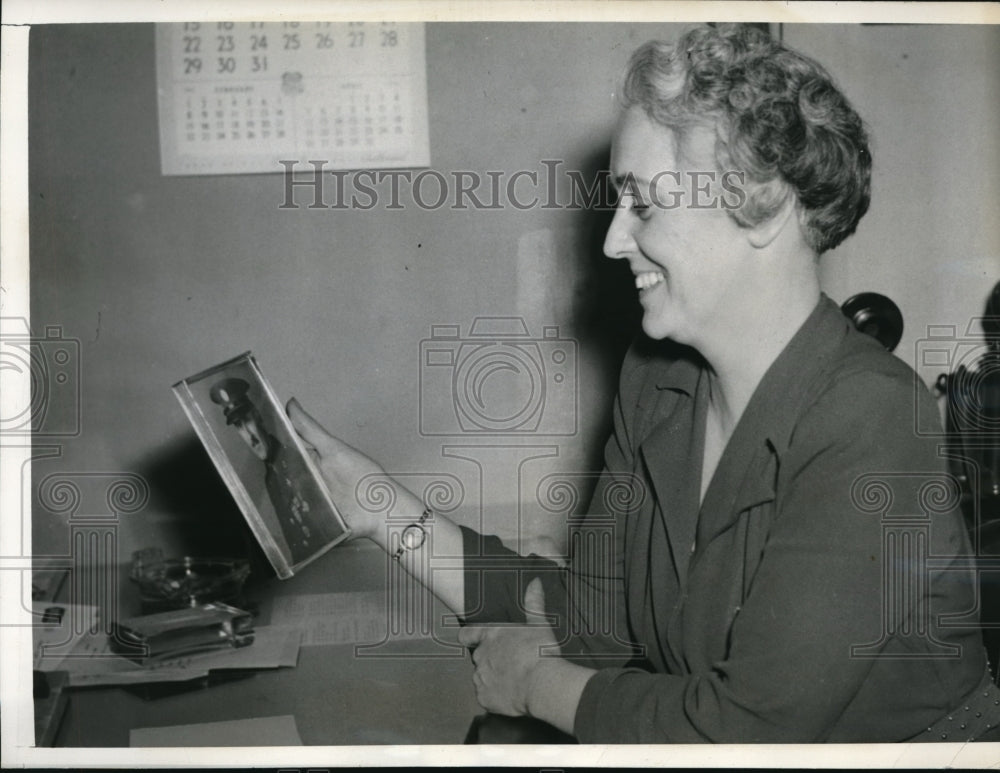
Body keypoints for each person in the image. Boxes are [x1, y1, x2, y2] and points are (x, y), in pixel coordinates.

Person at [287, 24, 1000, 742]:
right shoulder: (659, 381)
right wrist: (374, 504)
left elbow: (744, 735)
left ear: (767, 207)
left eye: (644, 205)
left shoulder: (869, 415)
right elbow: (591, 622)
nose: (612, 240)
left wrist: (538, 684)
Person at [210, 377, 322, 566]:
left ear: (258, 416)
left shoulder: (299, 462)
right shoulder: (270, 479)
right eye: (238, 426)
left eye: (246, 419)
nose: (249, 436)